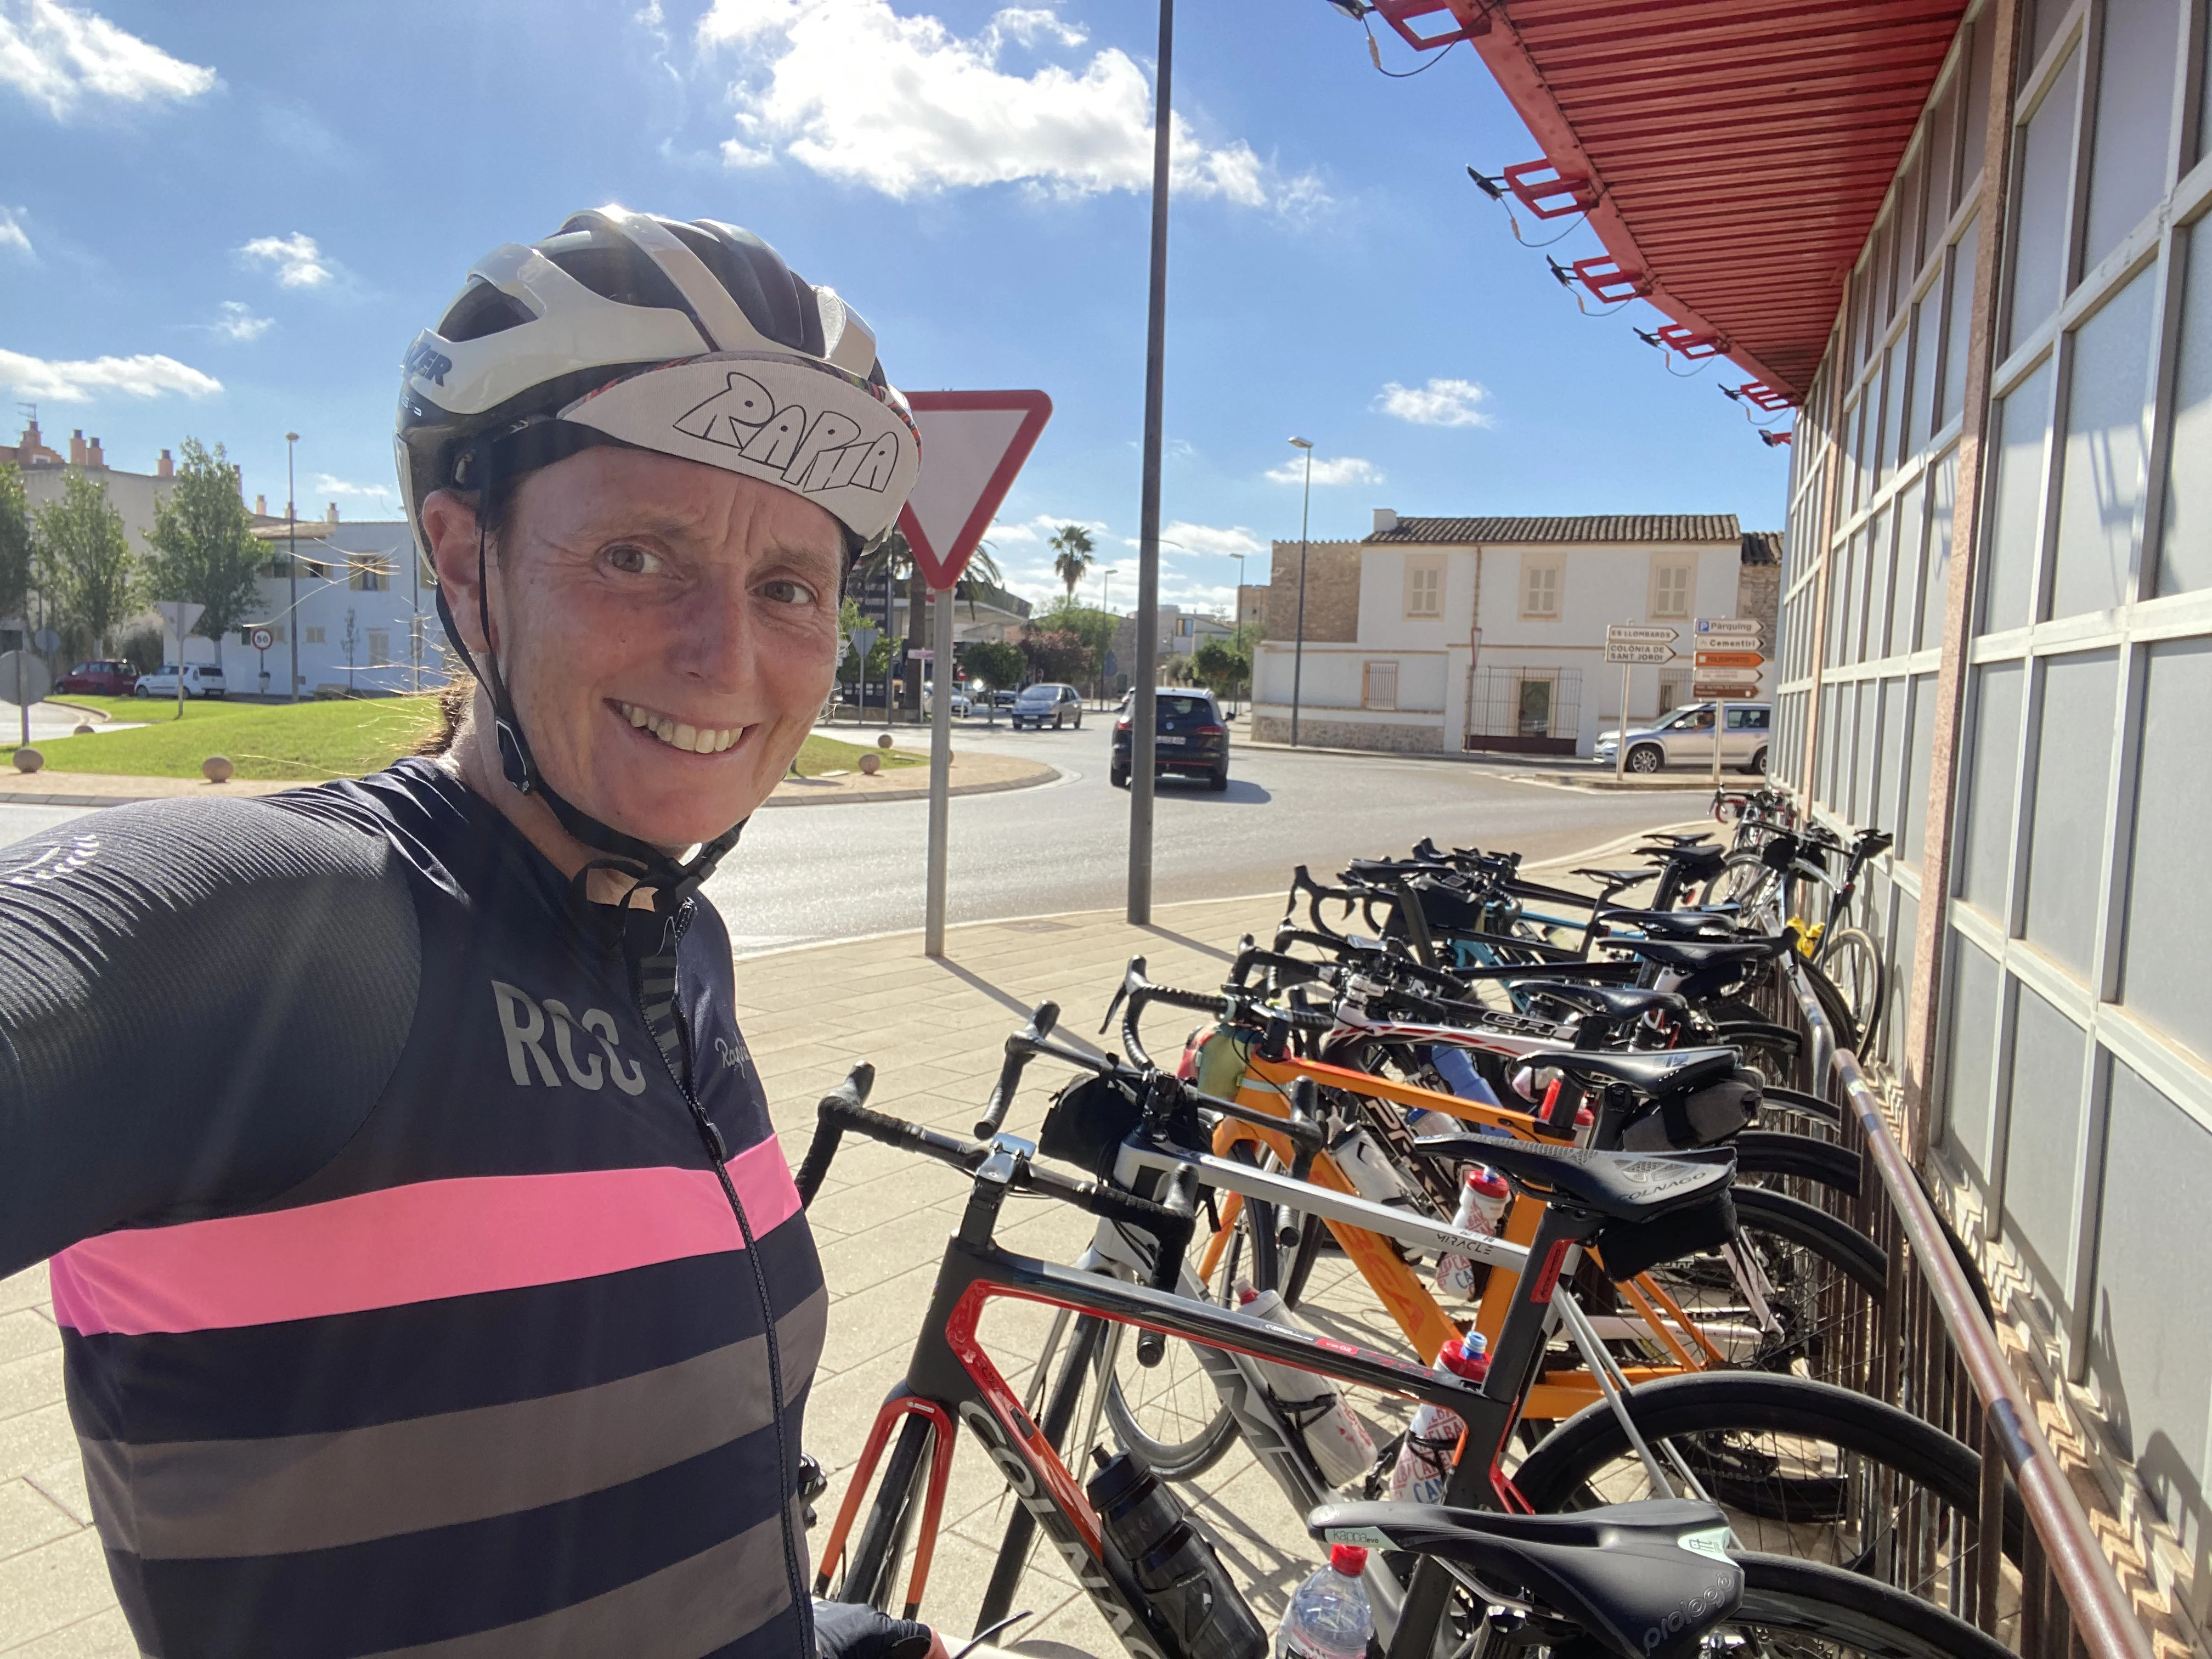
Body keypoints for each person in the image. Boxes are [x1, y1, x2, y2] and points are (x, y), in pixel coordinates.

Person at [0, 208, 939, 1659]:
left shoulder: (680, 954)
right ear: (461, 554)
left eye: (790, 589)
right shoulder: (304, 930)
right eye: (640, 556)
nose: (729, 659)